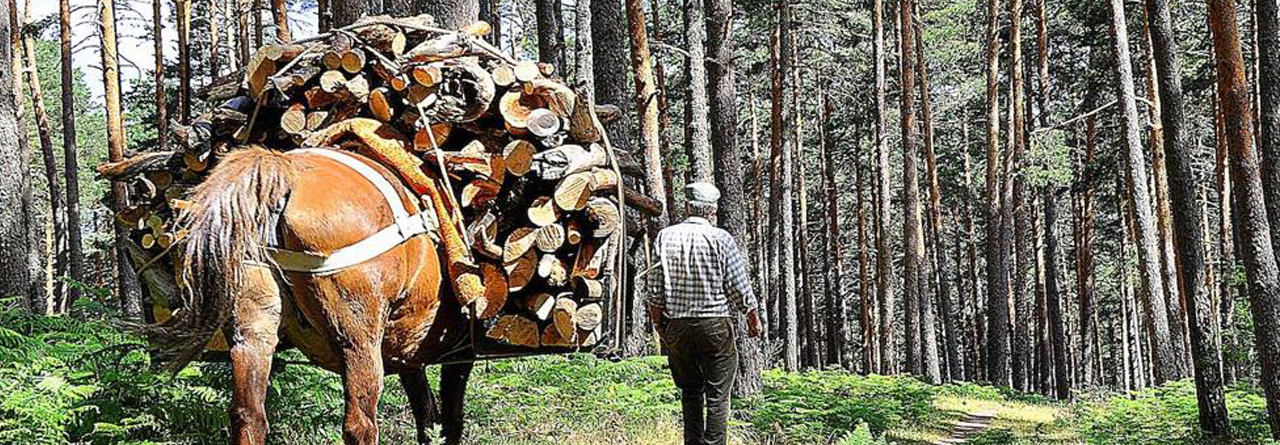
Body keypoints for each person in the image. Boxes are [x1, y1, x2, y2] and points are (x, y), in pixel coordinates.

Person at [647, 182, 762, 445]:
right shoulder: (721, 238)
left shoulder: (666, 236)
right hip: (714, 325)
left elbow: (654, 288)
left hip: (676, 325)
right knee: (718, 395)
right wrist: (752, 316)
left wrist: (657, 323)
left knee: (690, 392)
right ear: (713, 210)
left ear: (688, 206)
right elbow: (738, 285)